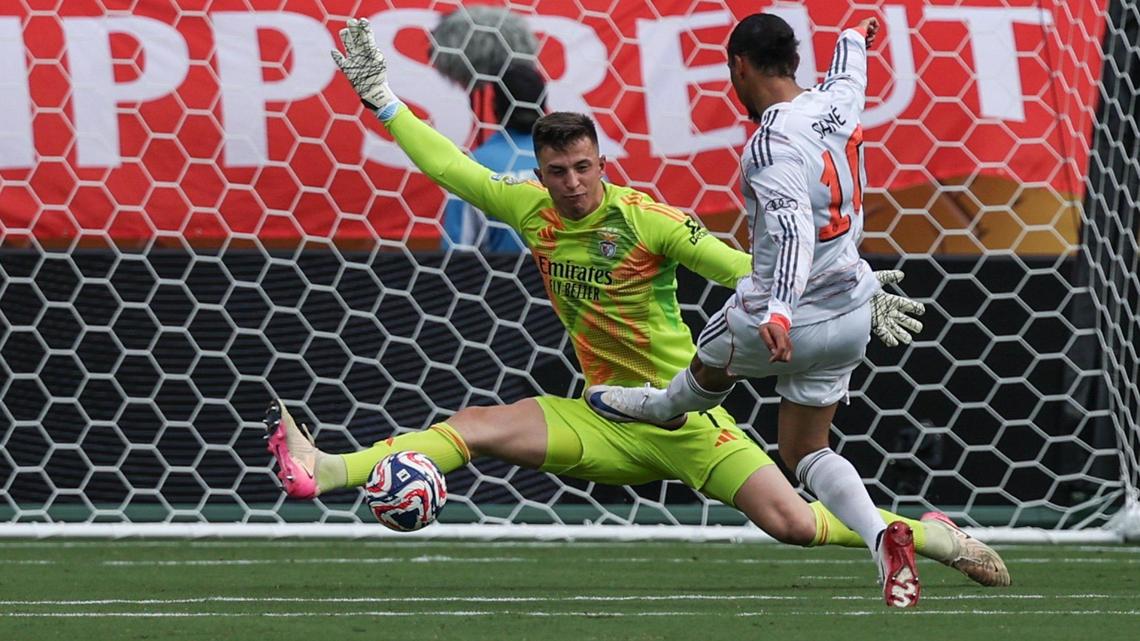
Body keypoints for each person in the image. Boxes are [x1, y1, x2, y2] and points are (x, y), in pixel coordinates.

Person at [266, 16, 1006, 609]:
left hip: (684, 418)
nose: (572, 183)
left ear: (602, 165)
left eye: (584, 168)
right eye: (557, 171)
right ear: (542, 172)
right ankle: (327, 468)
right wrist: (386, 101)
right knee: (475, 425)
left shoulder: (649, 221)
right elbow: (450, 166)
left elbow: (745, 265)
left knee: (792, 523)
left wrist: (853, 288)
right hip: (604, 413)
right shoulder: (529, 208)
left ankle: (930, 539)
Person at [585, 14, 1009, 606]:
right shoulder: (835, 104)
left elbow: (790, 232)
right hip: (852, 309)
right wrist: (853, 41)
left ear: (738, 66)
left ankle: (660, 409)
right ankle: (881, 536)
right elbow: (850, 77)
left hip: (784, 313)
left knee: (708, 367)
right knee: (805, 451)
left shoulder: (769, 143)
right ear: (793, 60)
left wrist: (779, 310)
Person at [440, 62, 545, 252]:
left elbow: (456, 255)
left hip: (499, 280)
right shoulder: (578, 162)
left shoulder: (474, 165)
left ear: (495, 107)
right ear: (544, 105)